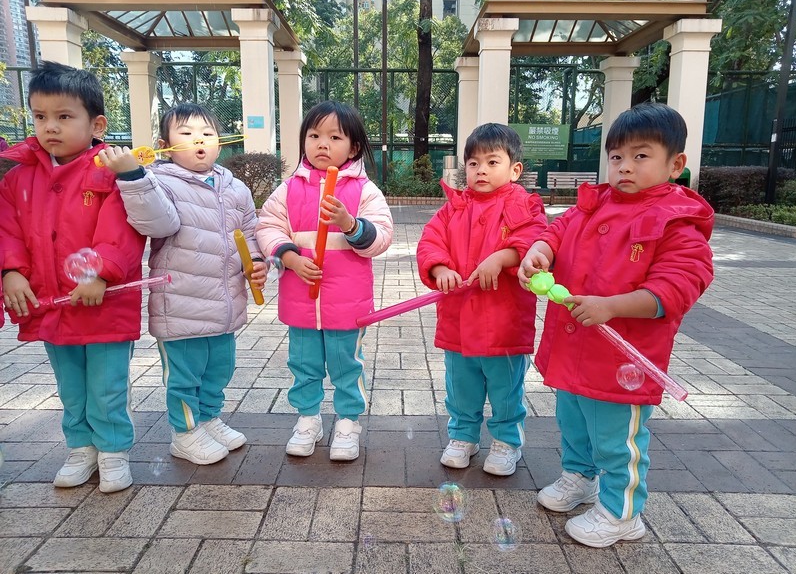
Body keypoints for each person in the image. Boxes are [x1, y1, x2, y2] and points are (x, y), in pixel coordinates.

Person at [518, 103, 714, 547]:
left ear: (675, 164)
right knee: (574, 423)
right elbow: (555, 233)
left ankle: (622, 513)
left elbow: (677, 288)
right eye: (617, 156)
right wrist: (539, 253)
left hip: (621, 358)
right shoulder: (591, 205)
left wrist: (611, 306)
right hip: (572, 350)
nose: (625, 166)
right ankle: (579, 478)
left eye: (641, 156)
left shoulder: (677, 221)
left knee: (617, 439)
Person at [0, 61, 146, 492]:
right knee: (70, 385)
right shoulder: (18, 179)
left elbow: (122, 229)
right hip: (51, 303)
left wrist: (101, 272)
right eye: (40, 116)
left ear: (96, 124)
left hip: (104, 305)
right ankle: (81, 446)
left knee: (107, 384)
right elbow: (8, 230)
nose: (50, 127)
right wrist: (11, 271)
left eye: (64, 116)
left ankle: (113, 449)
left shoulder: (109, 171)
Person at [98, 103, 266, 465]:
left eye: (207, 134)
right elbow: (158, 224)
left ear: (220, 142)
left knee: (219, 368)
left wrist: (256, 262)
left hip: (224, 303)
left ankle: (208, 418)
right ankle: (185, 432)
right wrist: (134, 178)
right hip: (180, 302)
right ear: (165, 145)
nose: (199, 141)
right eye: (187, 134)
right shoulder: (158, 181)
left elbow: (250, 232)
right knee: (184, 374)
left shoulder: (235, 188)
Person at [256, 100, 393, 461]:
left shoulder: (364, 191)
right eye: (314, 135)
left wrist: (350, 224)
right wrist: (289, 257)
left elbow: (381, 237)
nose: (322, 144)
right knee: (303, 365)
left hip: (347, 304)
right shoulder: (289, 189)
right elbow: (268, 226)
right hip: (301, 301)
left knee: (347, 365)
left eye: (334, 137)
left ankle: (348, 423)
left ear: (354, 147)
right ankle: (308, 419)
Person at [416, 123, 548, 476]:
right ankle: (463, 435)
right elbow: (430, 240)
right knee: (461, 387)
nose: (481, 171)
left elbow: (536, 238)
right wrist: (440, 267)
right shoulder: (454, 207)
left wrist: (503, 257)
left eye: (492, 162)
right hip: (458, 321)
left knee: (506, 390)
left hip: (504, 323)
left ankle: (506, 441)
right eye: (473, 163)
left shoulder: (523, 204)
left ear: (514, 169)